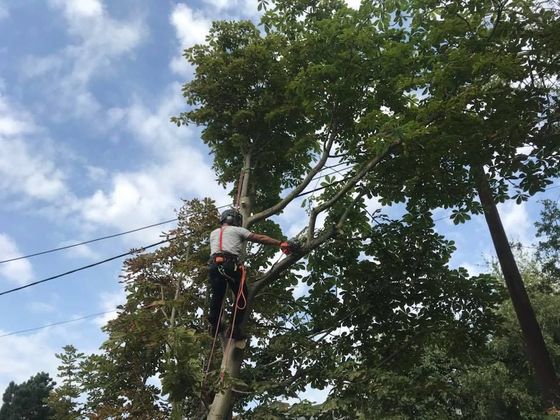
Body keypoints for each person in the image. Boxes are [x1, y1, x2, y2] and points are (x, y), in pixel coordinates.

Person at [208, 208, 290, 339]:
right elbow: (260, 238)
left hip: (214, 266)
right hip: (230, 266)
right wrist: (280, 243)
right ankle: (234, 328)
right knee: (242, 296)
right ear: (234, 219)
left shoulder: (214, 233)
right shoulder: (238, 230)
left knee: (217, 295)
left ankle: (215, 323)